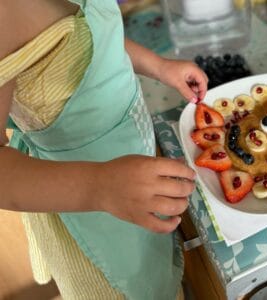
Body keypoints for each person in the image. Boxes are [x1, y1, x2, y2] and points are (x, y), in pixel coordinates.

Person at [0, 0, 208, 299]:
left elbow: (95, 33)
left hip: (132, 175)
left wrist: (159, 66)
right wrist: (98, 186)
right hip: (87, 212)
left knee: (157, 273)